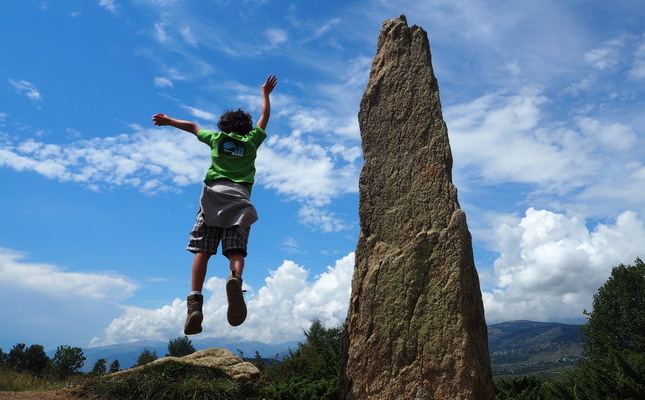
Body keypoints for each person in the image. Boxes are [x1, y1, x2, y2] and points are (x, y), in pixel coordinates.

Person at [152, 75, 278, 334]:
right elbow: (264, 118)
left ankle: (195, 302)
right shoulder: (252, 140)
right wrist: (265, 93)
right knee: (236, 251)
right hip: (239, 200)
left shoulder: (217, 139)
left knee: (202, 250)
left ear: (224, 125)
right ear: (246, 128)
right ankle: (235, 279)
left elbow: (192, 126)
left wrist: (168, 122)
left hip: (212, 198)